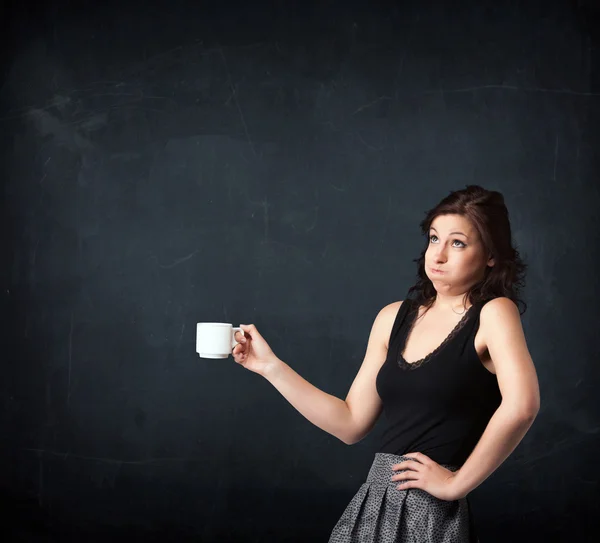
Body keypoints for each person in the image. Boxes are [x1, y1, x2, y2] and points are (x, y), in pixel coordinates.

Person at [231, 185, 540, 542]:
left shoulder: (494, 313)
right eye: (433, 238)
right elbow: (350, 424)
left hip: (430, 509)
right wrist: (269, 366)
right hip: (374, 501)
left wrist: (457, 483)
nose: (437, 255)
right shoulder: (393, 317)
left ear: (491, 255)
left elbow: (522, 406)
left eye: (457, 243)